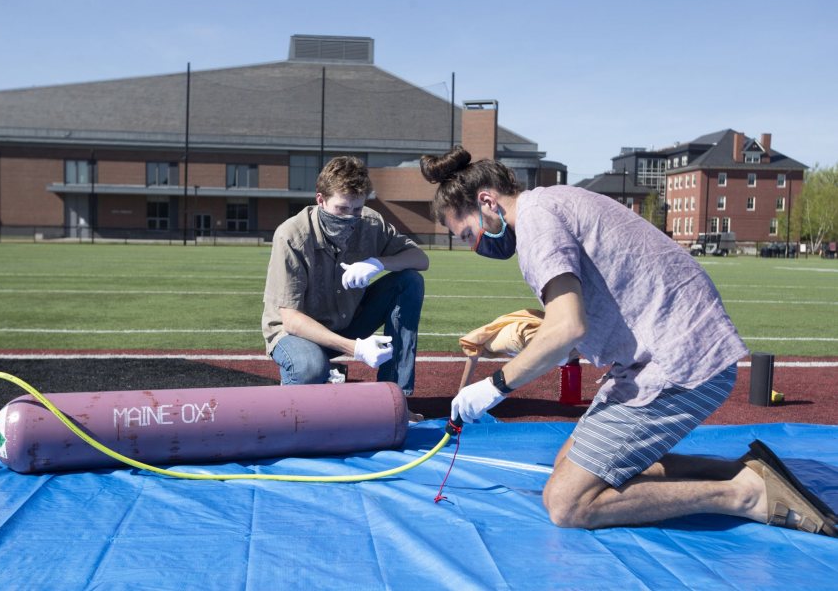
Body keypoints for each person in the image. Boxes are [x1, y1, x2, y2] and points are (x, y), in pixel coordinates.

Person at [419, 145, 835, 536]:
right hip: (668, 351)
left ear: (487, 202)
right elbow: (579, 316)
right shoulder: (552, 201)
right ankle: (741, 471)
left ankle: (746, 495)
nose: (475, 246)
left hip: (680, 364)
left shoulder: (535, 224)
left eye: (467, 233)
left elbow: (567, 330)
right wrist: (532, 334)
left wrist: (494, 386)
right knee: (566, 464)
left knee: (567, 503)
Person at [262, 156, 429, 405]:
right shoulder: (292, 235)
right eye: (341, 209)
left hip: (348, 319)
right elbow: (291, 320)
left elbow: (420, 259)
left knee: (409, 282)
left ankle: (396, 399)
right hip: (296, 334)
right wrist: (356, 349)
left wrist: (378, 263)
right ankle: (305, 382)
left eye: (357, 209)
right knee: (309, 368)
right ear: (320, 200)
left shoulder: (371, 223)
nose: (350, 217)